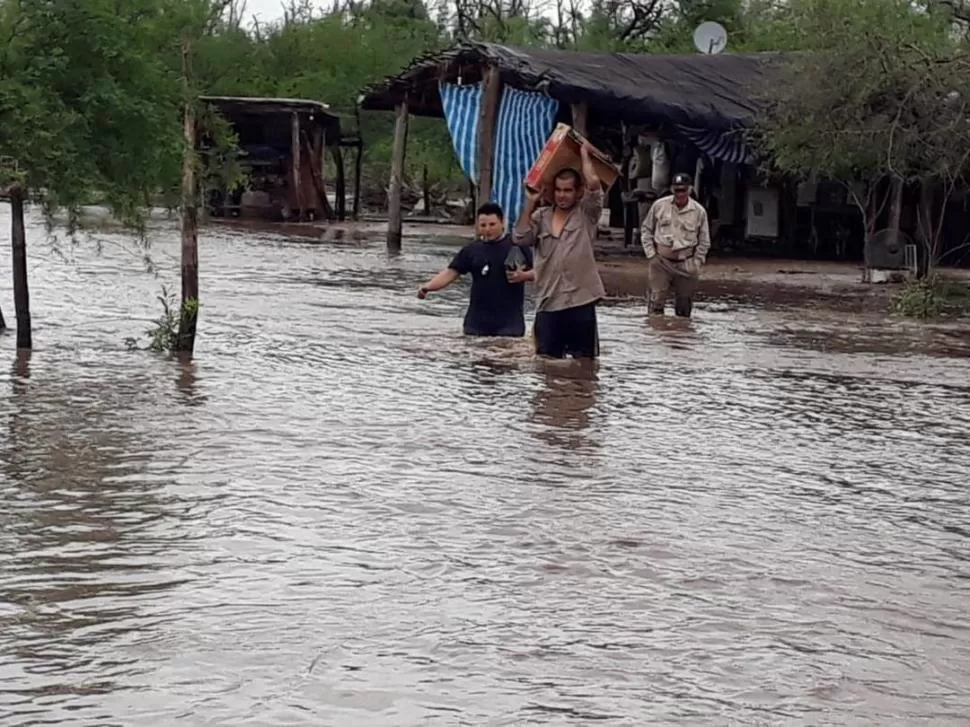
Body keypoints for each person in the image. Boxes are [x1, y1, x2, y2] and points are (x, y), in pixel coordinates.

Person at [512, 142, 605, 359]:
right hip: (548, 301)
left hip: (580, 301)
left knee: (585, 366)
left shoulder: (586, 214)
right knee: (546, 365)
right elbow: (520, 238)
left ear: (577, 192)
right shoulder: (540, 217)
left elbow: (593, 183)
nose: (562, 195)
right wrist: (530, 204)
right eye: (559, 190)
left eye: (568, 190)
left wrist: (583, 153)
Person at [417, 202, 535, 337]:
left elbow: (541, 273)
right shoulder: (472, 250)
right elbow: (450, 273)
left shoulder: (517, 246)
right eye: (483, 225)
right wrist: (428, 287)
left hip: (509, 324)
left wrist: (524, 276)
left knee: (505, 356)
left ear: (502, 223)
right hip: (476, 324)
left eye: (492, 224)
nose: (487, 229)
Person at [640, 172, 711, 318]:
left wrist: (697, 261)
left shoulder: (699, 212)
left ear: (690, 190)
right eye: (677, 190)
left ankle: (681, 337)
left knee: (684, 308)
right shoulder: (659, 205)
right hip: (660, 262)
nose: (680, 194)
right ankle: (657, 336)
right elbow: (646, 229)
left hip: (687, 264)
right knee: (655, 304)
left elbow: (704, 241)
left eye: (683, 190)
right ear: (672, 189)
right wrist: (651, 255)